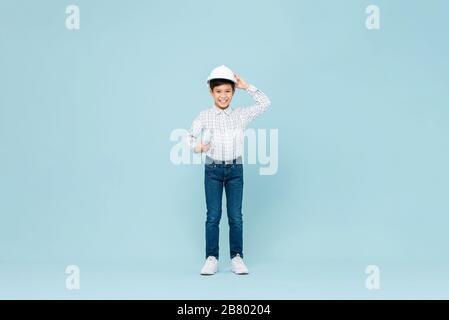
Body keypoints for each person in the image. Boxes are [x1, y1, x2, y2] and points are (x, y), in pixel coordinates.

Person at [186, 65, 271, 275]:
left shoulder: (241, 115)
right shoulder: (205, 116)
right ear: (211, 92)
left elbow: (265, 103)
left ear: (233, 92)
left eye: (227, 91)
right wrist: (197, 147)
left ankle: (237, 257)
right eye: (218, 91)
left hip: (235, 170)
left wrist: (246, 86)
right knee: (213, 216)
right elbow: (189, 137)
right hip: (213, 170)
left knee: (235, 216)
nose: (223, 96)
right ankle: (211, 258)